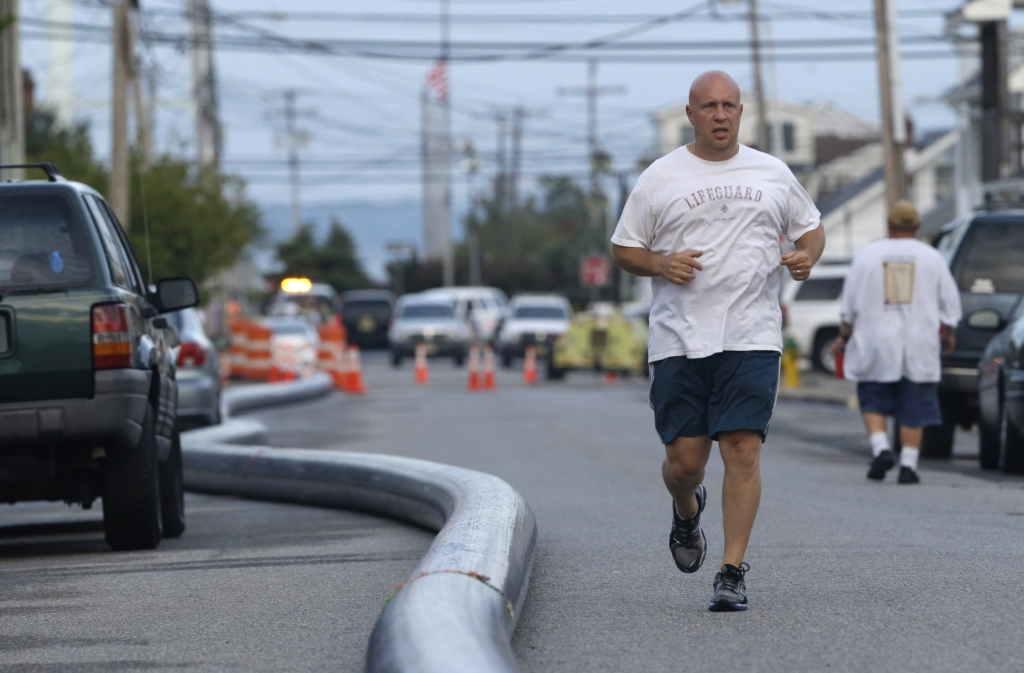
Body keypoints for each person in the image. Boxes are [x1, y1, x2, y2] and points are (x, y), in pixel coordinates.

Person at [610, 70, 825, 612]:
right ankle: (687, 509)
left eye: (729, 105)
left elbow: (810, 226)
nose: (721, 115)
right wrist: (659, 262)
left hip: (751, 334)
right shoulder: (661, 177)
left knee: (743, 449)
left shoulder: (772, 172)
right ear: (691, 114)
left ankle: (731, 571)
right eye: (709, 106)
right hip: (680, 339)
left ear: (741, 113)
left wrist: (807, 256)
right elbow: (623, 248)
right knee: (685, 463)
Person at [832, 200, 961, 484]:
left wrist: (843, 337)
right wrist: (948, 335)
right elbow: (950, 305)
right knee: (915, 402)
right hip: (920, 342)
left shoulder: (868, 255)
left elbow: (848, 306)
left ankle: (881, 450)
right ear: (917, 226)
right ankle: (909, 466)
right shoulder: (933, 258)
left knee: (873, 397)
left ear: (889, 225)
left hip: (876, 340)